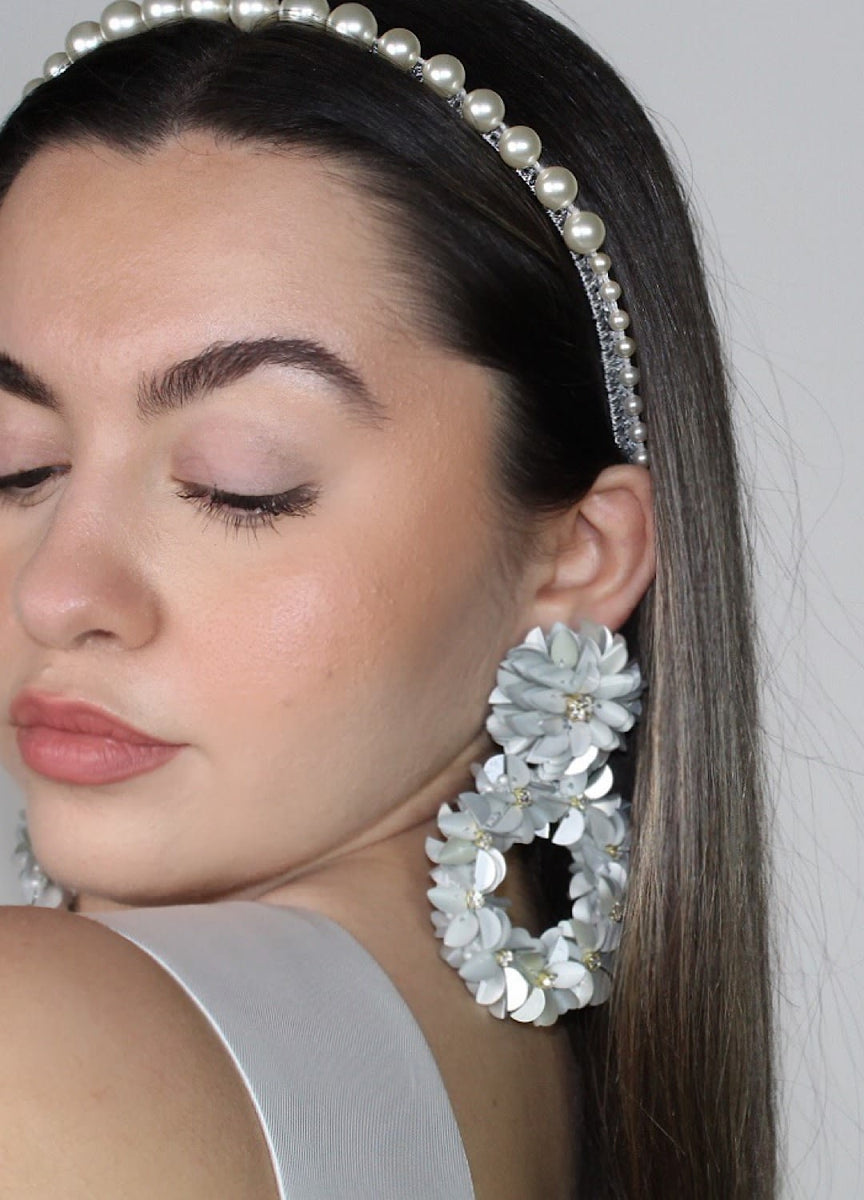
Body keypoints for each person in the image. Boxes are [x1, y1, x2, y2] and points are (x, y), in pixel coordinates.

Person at [0, 1, 777, 1196]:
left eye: (241, 483)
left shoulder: (36, 1044)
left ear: (578, 555)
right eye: (17, 465)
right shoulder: (530, 1093)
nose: (57, 593)